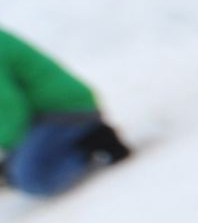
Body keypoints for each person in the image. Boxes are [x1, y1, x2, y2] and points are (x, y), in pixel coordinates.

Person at [0, 29, 133, 198]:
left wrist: (11, 151)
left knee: (33, 180)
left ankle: (93, 142)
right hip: (36, 117)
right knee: (13, 172)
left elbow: (8, 109)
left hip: (64, 110)